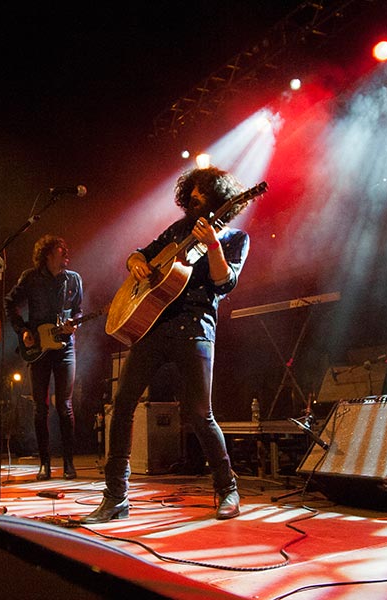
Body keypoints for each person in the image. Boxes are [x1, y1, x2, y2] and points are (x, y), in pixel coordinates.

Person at [82, 166, 251, 523]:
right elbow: (139, 253)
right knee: (122, 405)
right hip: (153, 328)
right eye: (192, 191)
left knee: (199, 414)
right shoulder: (178, 230)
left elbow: (224, 283)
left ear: (218, 199)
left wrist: (213, 246)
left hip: (196, 329)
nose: (194, 197)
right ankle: (115, 497)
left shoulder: (235, 237)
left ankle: (227, 489)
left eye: (202, 191)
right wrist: (137, 264)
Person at [5, 235, 82, 480]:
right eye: (61, 252)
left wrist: (74, 324)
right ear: (48, 255)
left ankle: (69, 463)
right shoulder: (30, 277)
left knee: (65, 406)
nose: (66, 256)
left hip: (65, 347)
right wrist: (23, 330)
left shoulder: (74, 279)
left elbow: (79, 309)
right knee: (41, 408)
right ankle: (44, 464)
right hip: (38, 348)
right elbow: (10, 303)